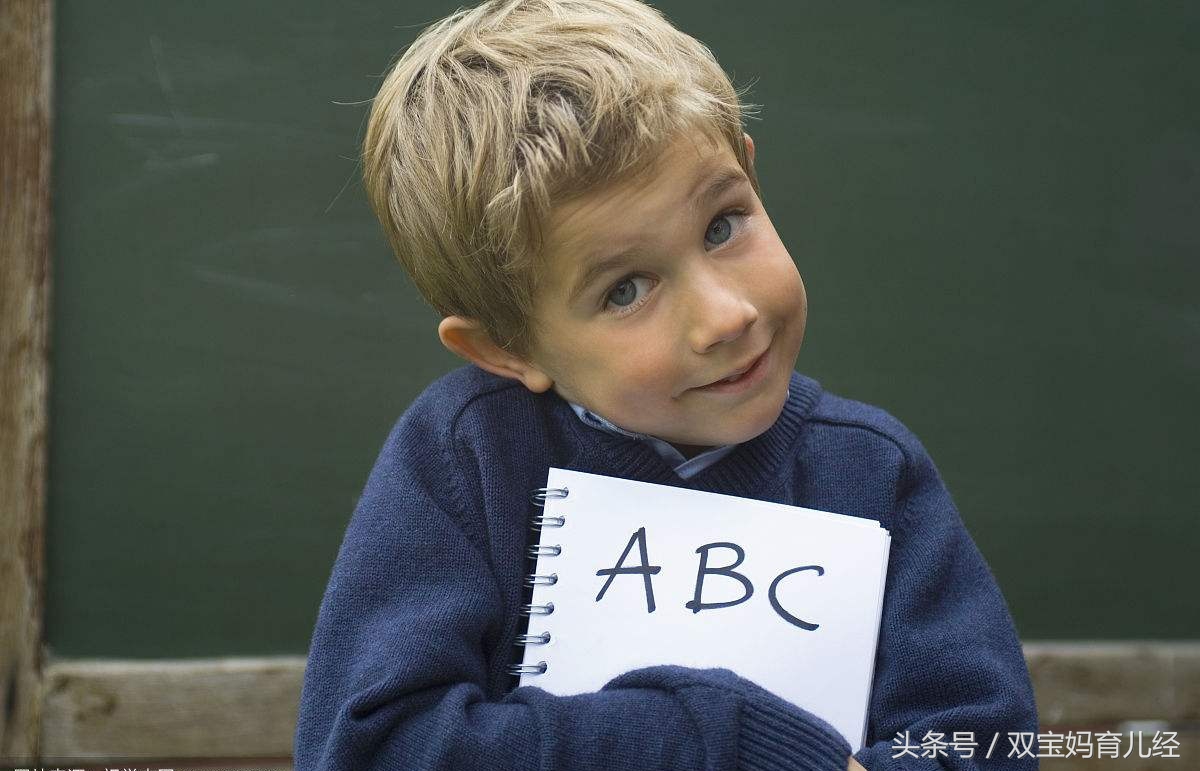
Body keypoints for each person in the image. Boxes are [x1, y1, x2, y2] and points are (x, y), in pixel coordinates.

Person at [293, 1, 1039, 769]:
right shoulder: (466, 458)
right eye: (626, 290)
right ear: (507, 348)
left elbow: (986, 747)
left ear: (750, 170)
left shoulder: (872, 470)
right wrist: (719, 743)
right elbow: (365, 750)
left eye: (723, 225)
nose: (725, 316)